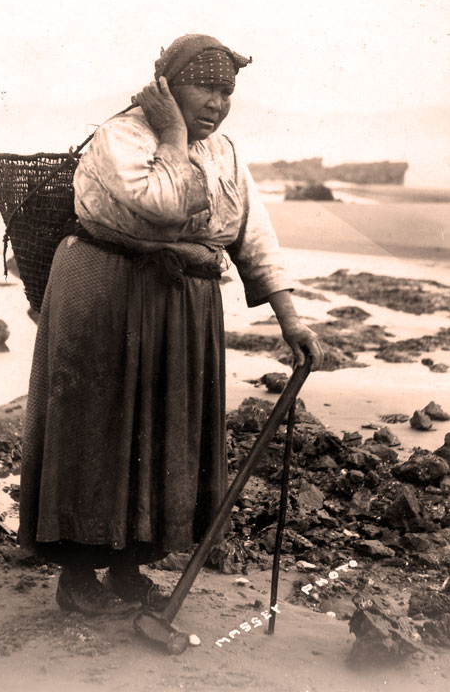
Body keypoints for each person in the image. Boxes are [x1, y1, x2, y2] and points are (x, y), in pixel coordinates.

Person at [19, 33, 324, 615]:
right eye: (205, 87)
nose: (218, 101)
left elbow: (252, 236)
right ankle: (78, 575)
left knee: (163, 433)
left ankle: (130, 567)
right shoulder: (122, 136)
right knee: (96, 429)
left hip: (182, 304)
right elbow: (164, 204)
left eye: (227, 91)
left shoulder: (225, 152)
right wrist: (175, 136)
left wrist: (293, 321)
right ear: (166, 87)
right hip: (104, 291)